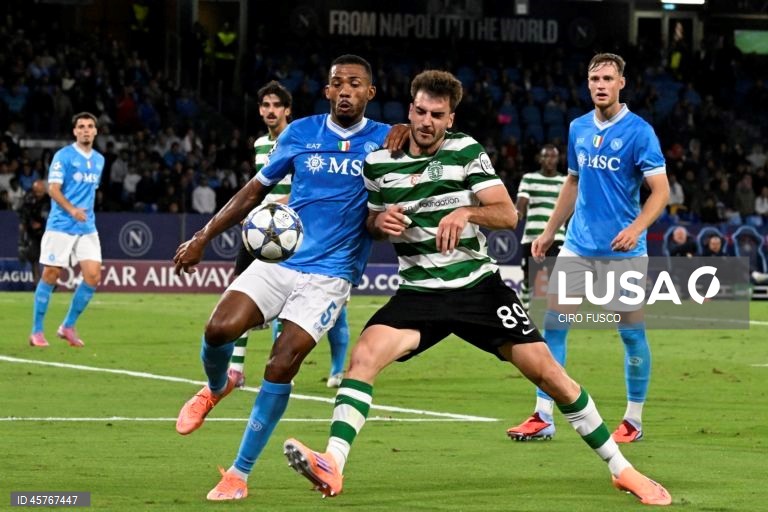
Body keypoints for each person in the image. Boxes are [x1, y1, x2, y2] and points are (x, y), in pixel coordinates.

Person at [281, 70, 671, 506]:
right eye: (422, 112)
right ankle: (333, 463)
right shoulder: (379, 162)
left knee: (550, 375)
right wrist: (379, 223)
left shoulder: (466, 150)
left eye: (438, 115)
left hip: (479, 288)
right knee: (364, 357)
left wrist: (466, 212)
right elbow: (371, 222)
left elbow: (506, 214)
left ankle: (623, 469)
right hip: (420, 292)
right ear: (409, 109)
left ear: (451, 119)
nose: (428, 122)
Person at [172, 54, 407, 501]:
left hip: (331, 275)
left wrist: (405, 135)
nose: (345, 90)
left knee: (281, 363)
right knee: (218, 328)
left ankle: (238, 473)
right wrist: (203, 235)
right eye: (337, 83)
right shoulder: (300, 133)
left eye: (355, 84)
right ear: (326, 91)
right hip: (281, 259)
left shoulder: (386, 140)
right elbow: (254, 191)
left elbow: (432, 142)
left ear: (370, 94)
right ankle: (220, 385)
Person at [506, 53, 669, 444]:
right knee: (553, 328)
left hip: (623, 252)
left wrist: (636, 228)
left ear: (621, 83)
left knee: (630, 333)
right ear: (588, 83)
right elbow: (573, 183)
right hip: (578, 246)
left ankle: (633, 419)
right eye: (594, 78)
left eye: (607, 78)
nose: (600, 84)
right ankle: (543, 414)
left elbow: (660, 192)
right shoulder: (578, 127)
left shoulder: (640, 132)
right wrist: (548, 231)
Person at [227, 80, 351, 389]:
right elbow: (261, 185)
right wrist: (255, 214)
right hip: (262, 232)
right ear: (260, 110)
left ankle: (337, 368)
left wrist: (275, 209)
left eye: (276, 106)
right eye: (265, 106)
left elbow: (306, 187)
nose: (270, 111)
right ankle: (236, 369)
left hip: (299, 231)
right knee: (241, 293)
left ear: (287, 111)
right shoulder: (258, 144)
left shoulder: (306, 139)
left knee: (328, 306)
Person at [29, 112, 105, 347]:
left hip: (87, 226)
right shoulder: (63, 156)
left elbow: (92, 191)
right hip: (61, 225)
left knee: (93, 276)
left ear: (95, 131)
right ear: (74, 131)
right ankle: (36, 331)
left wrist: (82, 214)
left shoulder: (100, 160)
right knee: (51, 274)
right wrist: (72, 210)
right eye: (81, 126)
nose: (85, 130)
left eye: (90, 126)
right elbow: (53, 188)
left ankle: (68, 326)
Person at [516, 144, 566, 309]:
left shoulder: (565, 182)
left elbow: (571, 209)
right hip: (532, 237)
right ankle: (524, 313)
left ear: (558, 159)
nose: (549, 160)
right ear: (540, 158)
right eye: (546, 156)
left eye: (553, 156)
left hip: (556, 237)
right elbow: (520, 206)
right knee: (528, 278)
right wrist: (517, 215)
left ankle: (555, 315)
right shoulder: (529, 178)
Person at [17, 179, 49, 283]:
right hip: (33, 234)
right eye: (37, 192)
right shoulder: (28, 199)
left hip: (48, 233)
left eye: (41, 191)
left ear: (44, 190)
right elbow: (23, 220)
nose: (39, 194)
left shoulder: (50, 200)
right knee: (34, 258)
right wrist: (22, 241)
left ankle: (50, 281)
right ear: (34, 190)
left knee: (50, 258)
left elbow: (54, 217)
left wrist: (43, 225)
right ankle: (37, 282)